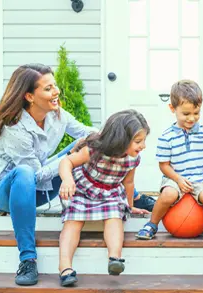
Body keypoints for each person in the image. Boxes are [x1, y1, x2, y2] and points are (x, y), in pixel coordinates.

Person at [0, 64, 99, 286]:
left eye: (54, 85)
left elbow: (87, 132)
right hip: (7, 194)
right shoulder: (14, 127)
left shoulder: (57, 114)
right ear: (29, 96)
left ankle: (129, 198)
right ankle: (27, 259)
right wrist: (70, 156)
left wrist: (118, 132)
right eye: (48, 88)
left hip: (39, 192)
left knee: (91, 144)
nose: (56, 91)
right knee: (26, 171)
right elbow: (35, 176)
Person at [58, 109, 149, 286]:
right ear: (120, 139)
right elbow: (66, 161)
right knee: (73, 222)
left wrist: (129, 206)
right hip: (82, 190)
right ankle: (65, 267)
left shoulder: (133, 159)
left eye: (144, 141)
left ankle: (115, 258)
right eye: (138, 141)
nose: (143, 146)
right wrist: (67, 180)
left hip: (110, 192)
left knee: (115, 216)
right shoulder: (92, 150)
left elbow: (128, 183)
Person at [135, 80, 203, 240]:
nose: (192, 118)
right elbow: (164, 166)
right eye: (186, 114)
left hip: (200, 180)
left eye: (196, 113)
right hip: (175, 178)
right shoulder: (167, 136)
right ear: (172, 109)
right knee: (167, 195)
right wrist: (178, 179)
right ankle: (152, 224)